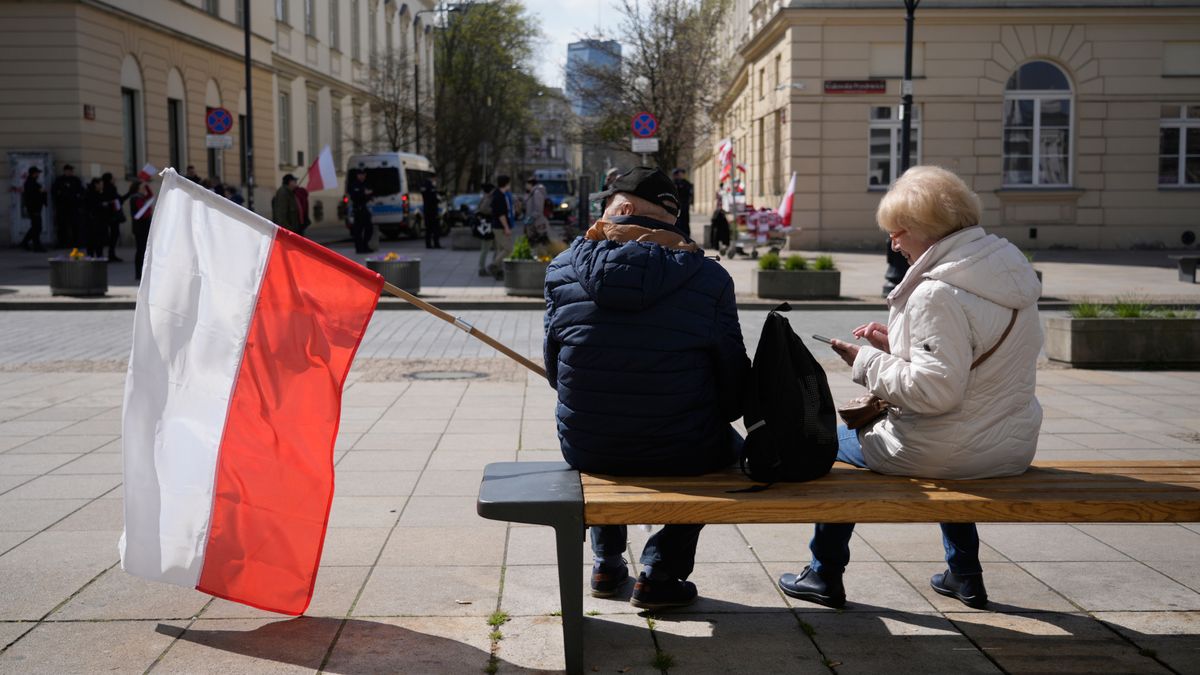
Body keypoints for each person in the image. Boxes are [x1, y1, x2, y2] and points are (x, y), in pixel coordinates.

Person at [777, 166, 1043, 611]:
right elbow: (972, 365)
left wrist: (866, 360)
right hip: (1010, 444)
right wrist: (898, 344)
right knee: (951, 441)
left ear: (923, 229)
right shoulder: (1006, 275)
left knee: (834, 441)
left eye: (896, 232)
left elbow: (936, 392)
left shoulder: (936, 292)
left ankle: (823, 573)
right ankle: (965, 575)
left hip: (952, 448)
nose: (893, 243)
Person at [543, 167, 751, 610]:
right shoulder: (711, 279)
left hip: (587, 446)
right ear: (671, 218)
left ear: (624, 209)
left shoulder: (562, 269)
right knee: (725, 449)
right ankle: (661, 572)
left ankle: (606, 561)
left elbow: (555, 371)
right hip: (684, 448)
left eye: (606, 203)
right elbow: (733, 383)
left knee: (602, 420)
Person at [488, 175, 516, 279]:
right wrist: (506, 227)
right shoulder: (499, 196)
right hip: (500, 227)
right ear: (506, 183)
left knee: (500, 249)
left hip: (499, 226)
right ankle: (493, 265)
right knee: (508, 249)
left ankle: (499, 272)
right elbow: (501, 215)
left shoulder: (501, 194)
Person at [51, 164, 85, 249]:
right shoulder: (59, 180)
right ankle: (62, 243)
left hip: (74, 206)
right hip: (62, 207)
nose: (71, 172)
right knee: (62, 226)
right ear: (65, 171)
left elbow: (81, 191)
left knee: (75, 225)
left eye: (71, 171)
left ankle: (76, 243)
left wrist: (78, 199)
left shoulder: (75, 180)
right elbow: (54, 192)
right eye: (69, 170)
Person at [128, 180, 155, 281]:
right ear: (138, 188)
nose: (144, 188)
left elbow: (151, 196)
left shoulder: (141, 197)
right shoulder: (136, 198)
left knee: (143, 250)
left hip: (143, 227)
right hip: (140, 228)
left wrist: (146, 184)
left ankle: (142, 273)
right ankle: (138, 274)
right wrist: (149, 210)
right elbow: (143, 214)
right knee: (140, 251)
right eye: (142, 186)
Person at [19, 166, 47, 252]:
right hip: (34, 208)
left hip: (35, 208)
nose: (38, 174)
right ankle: (36, 246)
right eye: (37, 173)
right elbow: (32, 197)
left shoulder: (32, 182)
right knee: (37, 227)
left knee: (36, 227)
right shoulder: (31, 183)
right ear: (34, 173)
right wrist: (41, 192)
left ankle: (25, 243)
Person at [346, 168, 375, 253]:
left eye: (363, 175)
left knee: (369, 228)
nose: (362, 176)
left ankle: (365, 246)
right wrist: (364, 193)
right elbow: (354, 196)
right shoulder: (355, 185)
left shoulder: (365, 184)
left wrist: (367, 195)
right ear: (357, 175)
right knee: (358, 230)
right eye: (360, 175)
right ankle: (359, 248)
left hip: (364, 208)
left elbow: (369, 195)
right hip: (358, 210)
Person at [100, 172, 123, 261]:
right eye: (113, 178)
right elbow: (117, 200)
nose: (115, 179)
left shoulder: (106, 188)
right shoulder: (110, 189)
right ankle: (110, 254)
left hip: (109, 216)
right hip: (112, 216)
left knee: (112, 235)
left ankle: (109, 254)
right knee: (113, 235)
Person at [476, 182, 497, 276]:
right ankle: (485, 268)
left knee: (486, 248)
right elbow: (484, 209)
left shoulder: (484, 197)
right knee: (487, 248)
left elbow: (479, 209)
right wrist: (493, 211)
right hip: (489, 226)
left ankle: (485, 267)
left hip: (486, 226)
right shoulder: (488, 198)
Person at [83, 178, 107, 258]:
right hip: (92, 222)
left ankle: (98, 255)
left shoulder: (100, 193)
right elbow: (90, 206)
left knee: (99, 241)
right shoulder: (90, 194)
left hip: (99, 222)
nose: (102, 186)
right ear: (96, 185)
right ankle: (92, 256)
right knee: (92, 240)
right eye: (101, 184)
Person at [522, 176, 549, 246]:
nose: (525, 186)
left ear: (530, 184)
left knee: (540, 243)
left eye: (526, 184)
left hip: (537, 223)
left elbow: (538, 209)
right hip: (533, 222)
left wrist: (530, 218)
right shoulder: (532, 192)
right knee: (534, 242)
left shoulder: (537, 193)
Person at [671, 168, 694, 240]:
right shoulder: (672, 183)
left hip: (684, 206)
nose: (679, 176)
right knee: (677, 222)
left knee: (685, 222)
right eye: (677, 174)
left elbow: (689, 194)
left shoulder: (686, 184)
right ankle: (678, 236)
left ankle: (686, 237)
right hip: (676, 206)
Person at [421, 176, 442, 249]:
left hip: (427, 211)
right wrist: (438, 199)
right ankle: (436, 243)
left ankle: (428, 244)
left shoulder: (424, 188)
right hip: (433, 211)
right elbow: (434, 199)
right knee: (436, 228)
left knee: (428, 229)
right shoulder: (431, 188)